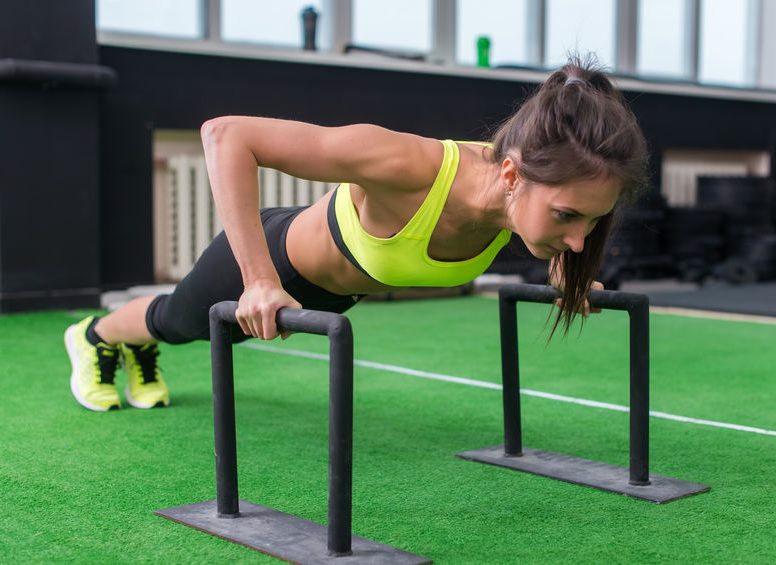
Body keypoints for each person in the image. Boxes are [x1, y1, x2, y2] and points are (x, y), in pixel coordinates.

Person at [64, 56, 648, 412]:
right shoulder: (405, 165)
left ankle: (134, 343)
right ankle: (95, 336)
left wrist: (562, 262)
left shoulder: (517, 197)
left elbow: (553, 231)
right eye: (569, 217)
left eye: (593, 221)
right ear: (511, 174)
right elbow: (226, 135)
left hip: (332, 293)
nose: (580, 238)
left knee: (182, 328)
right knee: (178, 324)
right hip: (279, 262)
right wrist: (259, 281)